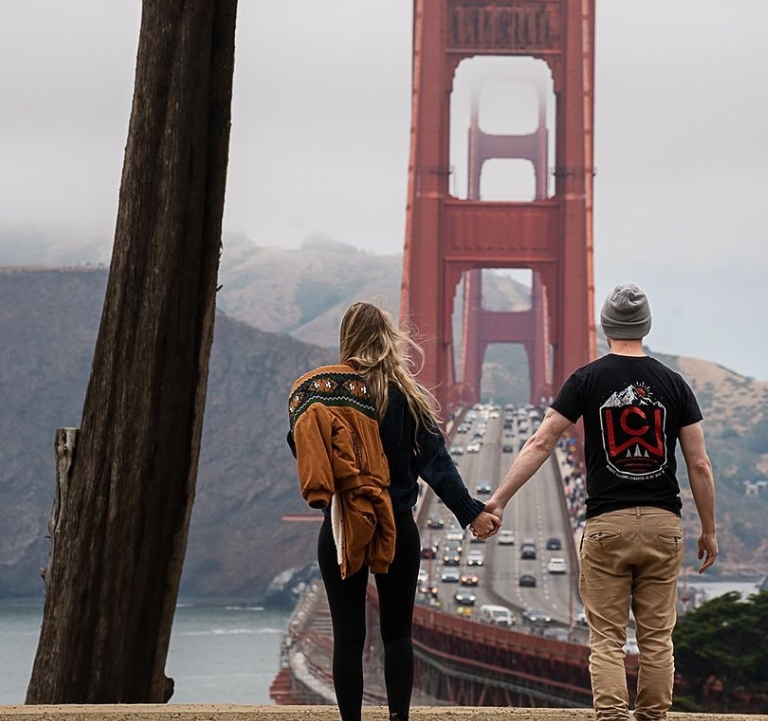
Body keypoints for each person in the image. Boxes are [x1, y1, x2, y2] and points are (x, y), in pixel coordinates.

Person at [483, 283, 718, 721]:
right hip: (664, 524)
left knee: (607, 638)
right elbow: (700, 465)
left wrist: (497, 500)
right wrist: (708, 529)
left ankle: (611, 718)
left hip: (607, 525)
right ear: (646, 326)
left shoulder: (586, 380)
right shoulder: (674, 384)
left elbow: (540, 442)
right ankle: (652, 718)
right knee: (656, 639)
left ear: (605, 327)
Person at [287, 301, 499, 721]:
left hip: (341, 528)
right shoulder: (408, 396)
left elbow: (300, 448)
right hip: (398, 528)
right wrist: (472, 512)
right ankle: (398, 719)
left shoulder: (324, 396)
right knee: (398, 634)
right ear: (387, 339)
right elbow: (436, 463)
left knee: (348, 638)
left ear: (347, 339)